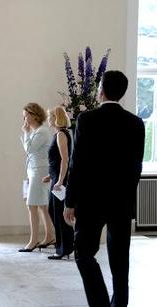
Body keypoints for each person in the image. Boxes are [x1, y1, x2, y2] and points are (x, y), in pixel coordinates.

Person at [64, 70, 145, 307]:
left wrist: (70, 201)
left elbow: (76, 163)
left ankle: (99, 304)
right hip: (122, 201)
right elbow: (137, 166)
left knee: (83, 253)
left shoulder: (86, 120)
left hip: (91, 201)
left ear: (101, 90)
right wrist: (128, 196)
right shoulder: (136, 123)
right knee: (121, 261)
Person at [20, 102, 55, 252]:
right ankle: (49, 236)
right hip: (33, 170)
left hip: (39, 171)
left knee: (32, 205)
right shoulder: (37, 131)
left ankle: (33, 240)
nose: (24, 119)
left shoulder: (42, 131)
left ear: (34, 116)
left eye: (26, 115)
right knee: (41, 205)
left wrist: (26, 132)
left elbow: (30, 149)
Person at [42, 106, 74, 260]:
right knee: (53, 211)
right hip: (56, 178)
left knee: (59, 213)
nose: (48, 120)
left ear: (55, 118)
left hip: (60, 180)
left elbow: (65, 159)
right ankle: (64, 246)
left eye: (50, 117)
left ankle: (63, 248)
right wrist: (50, 175)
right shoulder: (60, 134)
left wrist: (60, 180)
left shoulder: (61, 134)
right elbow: (57, 160)